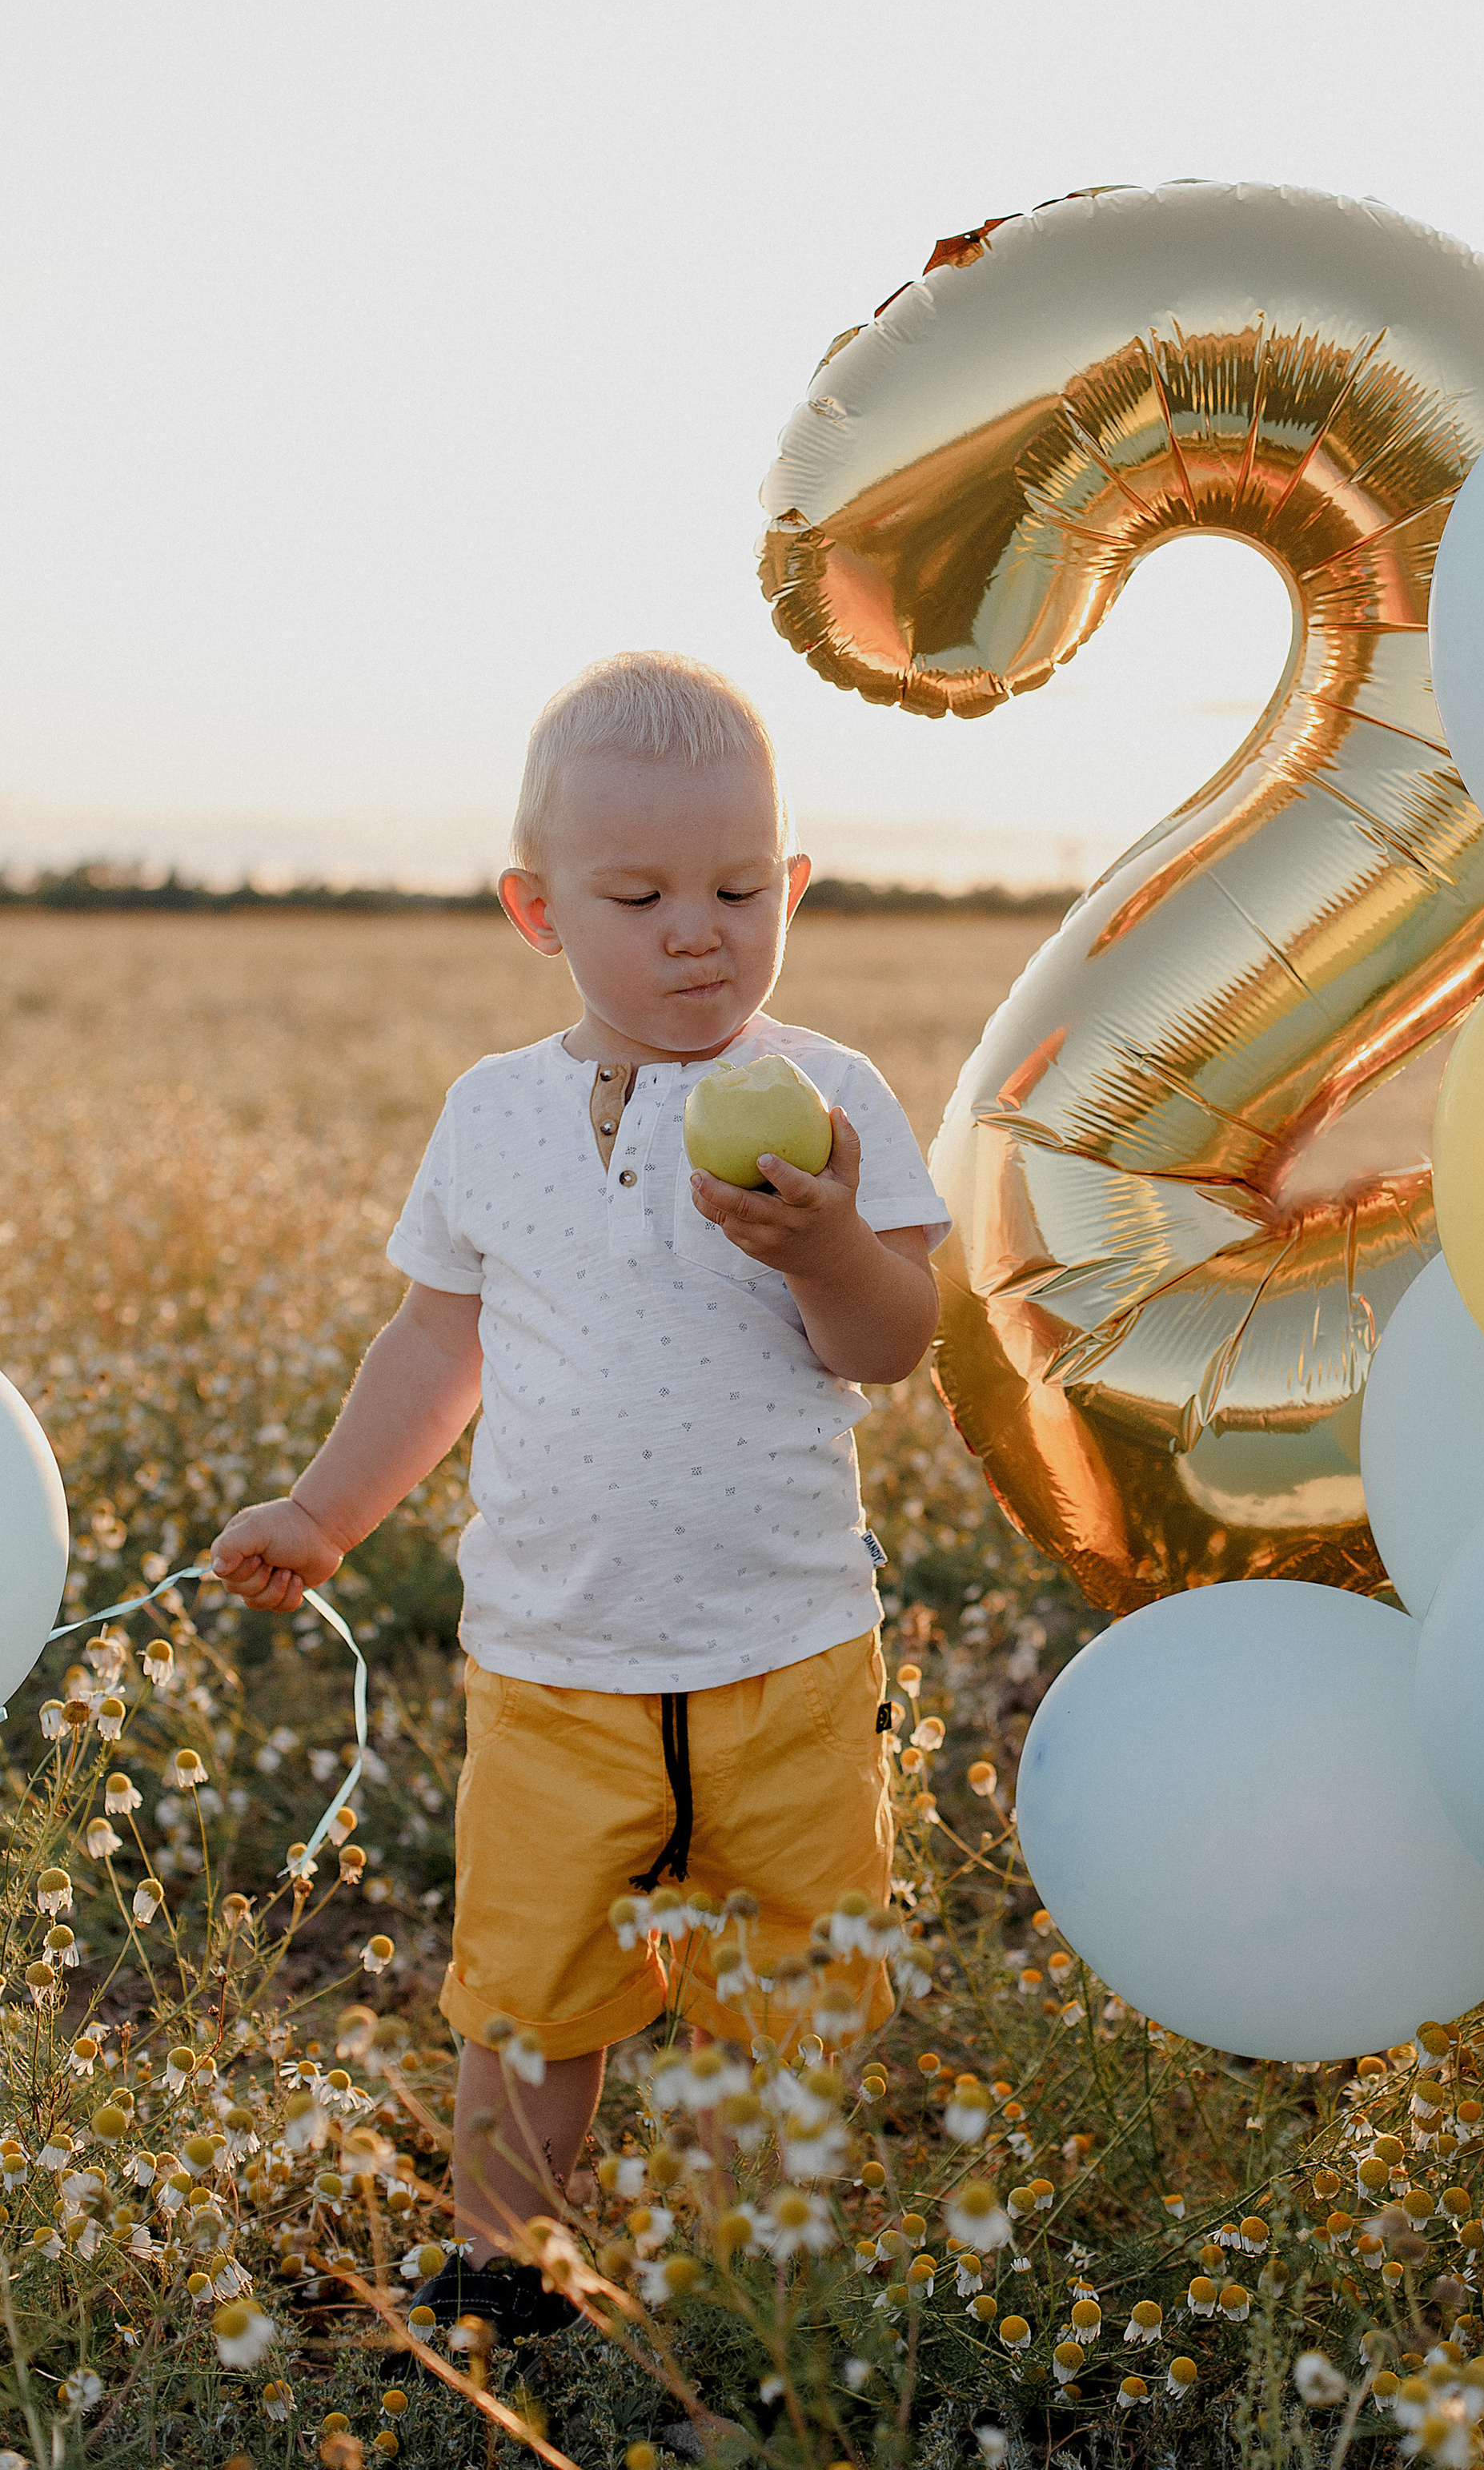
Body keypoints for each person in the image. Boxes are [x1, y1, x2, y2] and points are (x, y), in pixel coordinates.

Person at [211, 651, 948, 2335]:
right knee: (528, 1992)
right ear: (537, 912)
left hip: (785, 1652)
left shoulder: (827, 1106)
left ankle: (781, 2284)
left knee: (797, 1993)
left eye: (740, 888)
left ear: (794, 887)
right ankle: (504, 2266)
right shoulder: (490, 1117)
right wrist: (325, 1517)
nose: (699, 929)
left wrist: (827, 1240)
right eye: (641, 895)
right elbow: (432, 1344)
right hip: (554, 1662)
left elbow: (890, 1341)